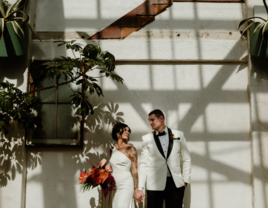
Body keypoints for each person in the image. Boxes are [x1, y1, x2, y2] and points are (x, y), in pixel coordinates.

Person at [135, 109, 191, 208]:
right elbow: (143, 163)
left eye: (152, 120)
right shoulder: (146, 139)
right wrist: (140, 188)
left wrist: (185, 180)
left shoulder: (177, 136)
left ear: (161, 118)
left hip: (175, 184)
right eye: (149, 121)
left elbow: (186, 159)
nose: (150, 123)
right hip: (154, 184)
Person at [108, 122, 140, 208]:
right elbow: (112, 168)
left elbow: (134, 170)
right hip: (114, 186)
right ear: (117, 133)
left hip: (126, 185)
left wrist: (136, 189)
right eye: (125, 130)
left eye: (129, 131)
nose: (127, 132)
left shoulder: (131, 149)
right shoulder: (112, 150)